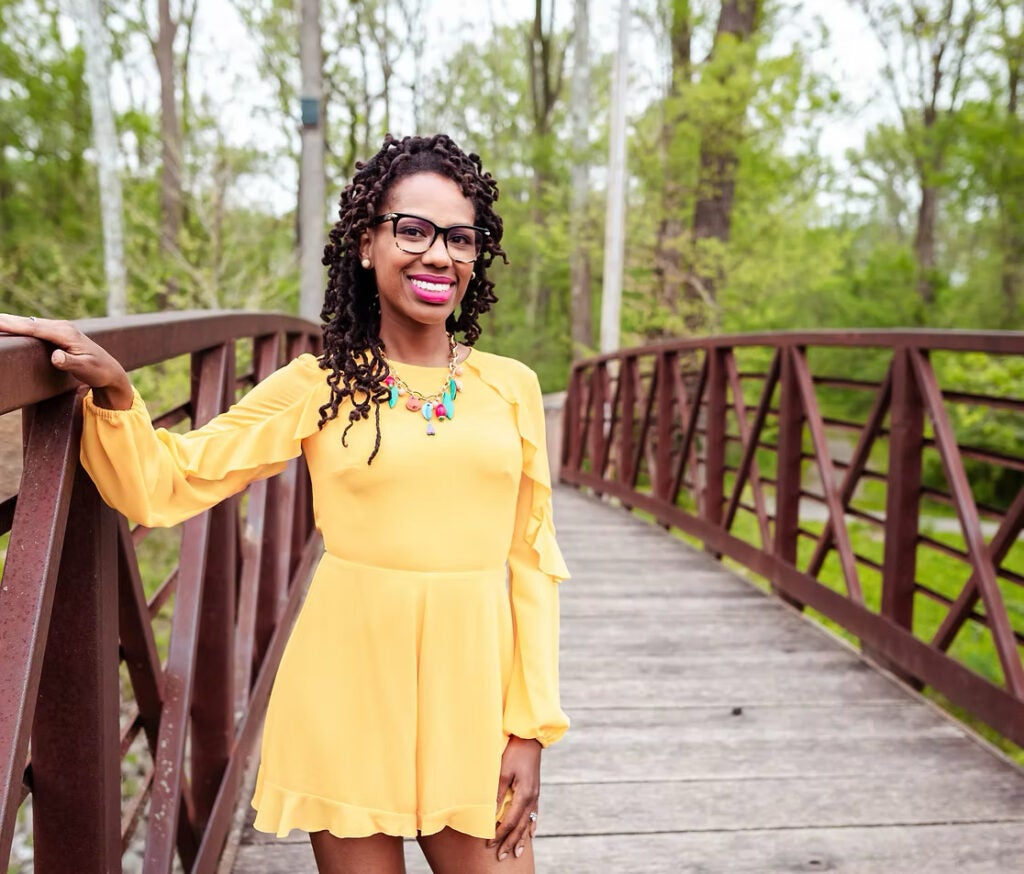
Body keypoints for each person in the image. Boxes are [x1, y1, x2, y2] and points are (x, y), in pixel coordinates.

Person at [0, 133, 569, 873]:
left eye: (461, 238)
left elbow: (533, 563)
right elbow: (172, 481)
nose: (439, 256)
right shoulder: (317, 383)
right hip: (347, 687)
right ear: (368, 244)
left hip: (476, 694)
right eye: (414, 230)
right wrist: (116, 393)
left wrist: (528, 731)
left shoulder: (511, 387)